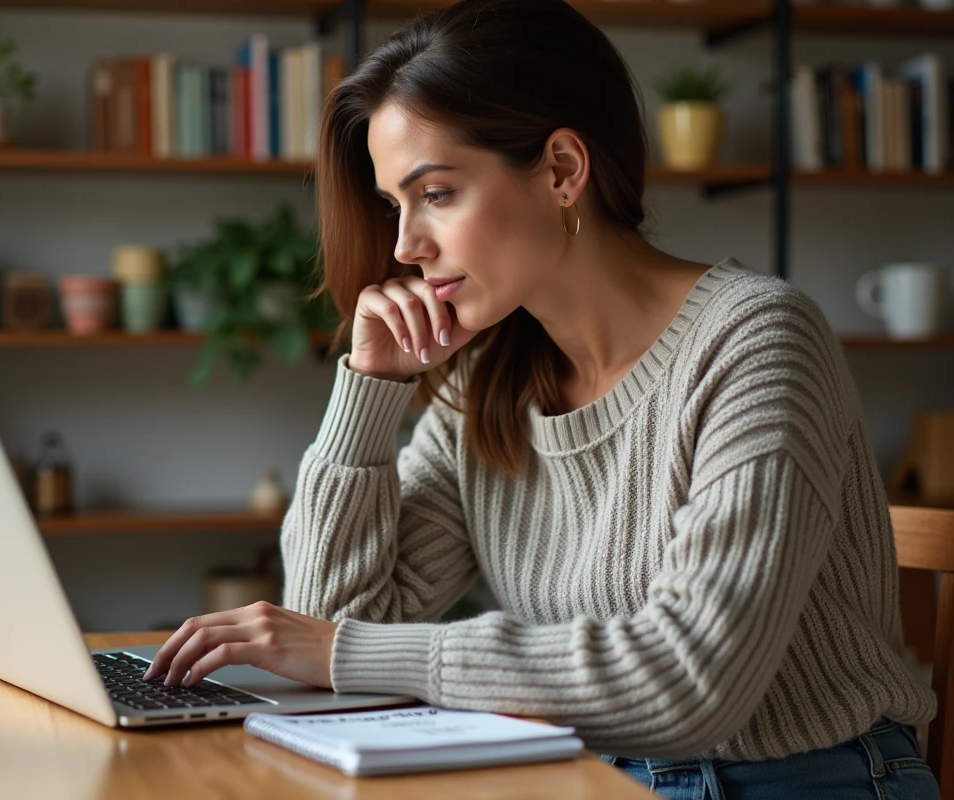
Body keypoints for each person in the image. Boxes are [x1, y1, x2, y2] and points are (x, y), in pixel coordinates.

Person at [143, 0, 939, 795]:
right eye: (395, 205)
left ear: (562, 169)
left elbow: (688, 680)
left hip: (805, 780)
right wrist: (372, 392)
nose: (404, 246)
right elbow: (338, 625)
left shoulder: (757, 341)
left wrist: (338, 651)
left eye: (438, 193)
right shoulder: (489, 381)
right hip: (587, 773)